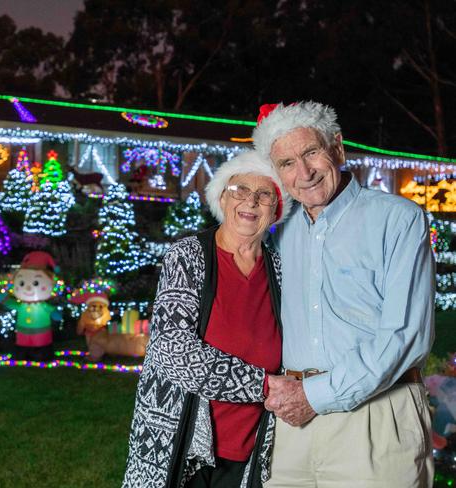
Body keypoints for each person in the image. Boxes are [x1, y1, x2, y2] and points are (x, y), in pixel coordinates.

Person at [252, 101, 435, 487]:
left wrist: (314, 397)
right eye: (286, 164)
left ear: (336, 147)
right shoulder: (277, 233)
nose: (304, 173)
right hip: (292, 427)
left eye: (311, 152)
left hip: (377, 417)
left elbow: (405, 337)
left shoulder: (398, 219)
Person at [122, 150, 292, 488]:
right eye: (239, 190)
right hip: (180, 440)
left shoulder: (279, 268)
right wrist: (263, 385)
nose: (251, 202)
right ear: (221, 198)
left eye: (264, 195)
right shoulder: (188, 255)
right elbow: (173, 351)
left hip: (252, 443)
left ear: (275, 210)